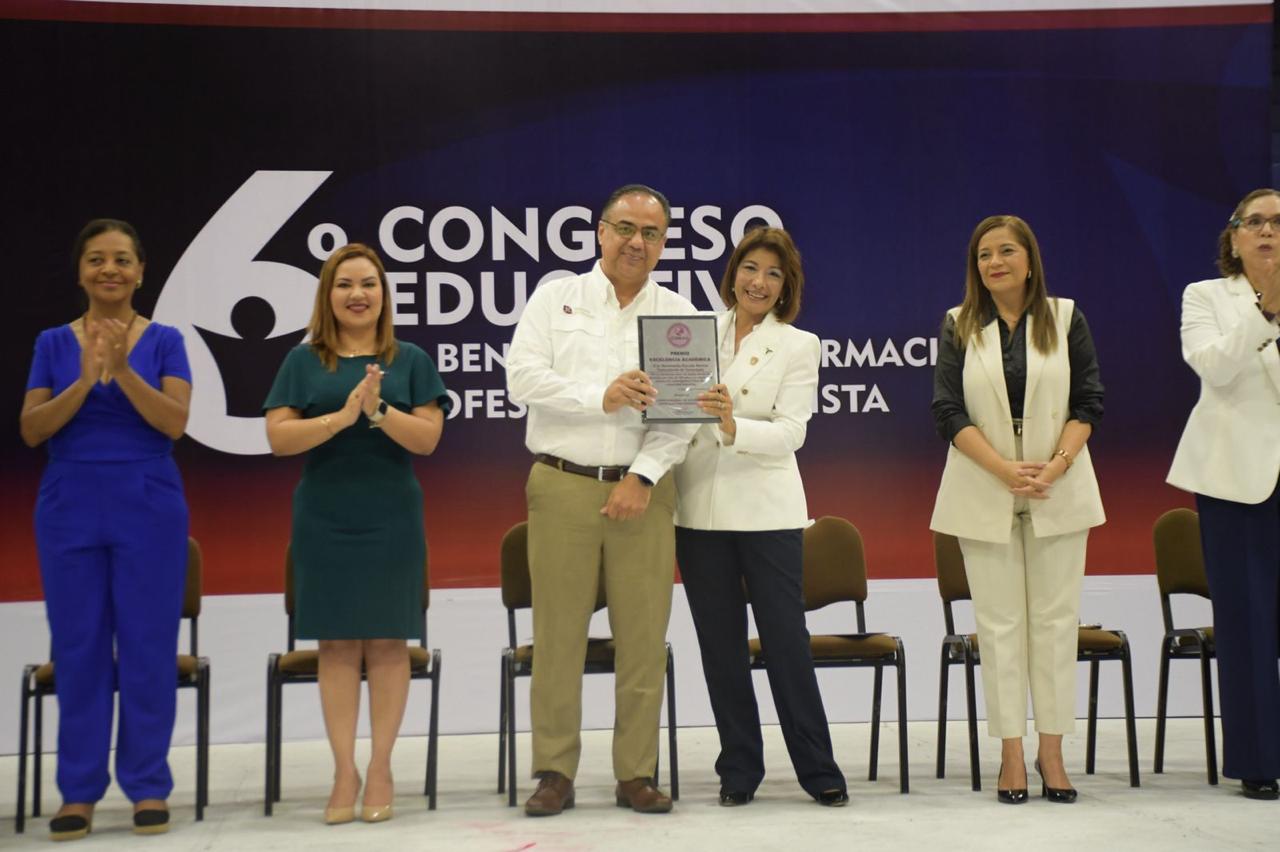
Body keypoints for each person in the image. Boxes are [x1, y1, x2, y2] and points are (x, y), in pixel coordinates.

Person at [506, 184, 696, 816]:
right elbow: (522, 376)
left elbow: (680, 420)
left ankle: (635, 773)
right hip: (561, 483)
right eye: (624, 229)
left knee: (642, 638)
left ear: (664, 243)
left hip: (644, 490)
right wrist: (602, 395)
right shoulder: (555, 297)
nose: (635, 243)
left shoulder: (677, 313)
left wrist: (642, 477)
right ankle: (554, 772)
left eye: (649, 234)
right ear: (598, 232)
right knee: (556, 634)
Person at [263, 243, 449, 825]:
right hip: (324, 515)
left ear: (384, 293)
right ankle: (345, 770)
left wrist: (377, 413)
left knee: (389, 642)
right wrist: (340, 419)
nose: (358, 294)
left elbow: (427, 440)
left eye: (368, 283)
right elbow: (278, 439)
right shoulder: (302, 362)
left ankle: (384, 765)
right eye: (344, 284)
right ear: (328, 295)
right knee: (338, 643)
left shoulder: (411, 359)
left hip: (391, 515)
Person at [20, 219, 193, 839]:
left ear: (142, 271)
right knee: (79, 649)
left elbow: (174, 422)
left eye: (122, 259)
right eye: (97, 260)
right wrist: (84, 380)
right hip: (70, 500)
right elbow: (34, 428)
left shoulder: (168, 340)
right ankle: (79, 791)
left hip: (147, 500)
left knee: (148, 648)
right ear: (81, 273)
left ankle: (148, 785)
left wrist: (121, 372)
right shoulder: (50, 343)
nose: (110, 270)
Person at [929, 215, 1105, 804]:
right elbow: (948, 412)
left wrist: (1054, 464)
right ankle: (1009, 754)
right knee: (999, 628)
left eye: (1007, 251)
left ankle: (1051, 753)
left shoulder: (1066, 316)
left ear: (1030, 259)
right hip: (985, 486)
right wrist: (1004, 469)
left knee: (1056, 625)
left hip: (1059, 485)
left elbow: (1088, 403)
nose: (995, 262)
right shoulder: (958, 325)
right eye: (984, 255)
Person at [673, 226, 848, 807]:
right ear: (733, 274)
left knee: (785, 643)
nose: (759, 281)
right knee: (720, 648)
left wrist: (731, 425)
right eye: (750, 268)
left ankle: (817, 767)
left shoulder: (799, 345)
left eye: (773, 274)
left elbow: (791, 433)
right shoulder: (693, 334)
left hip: (768, 512)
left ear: (785, 288)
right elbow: (673, 415)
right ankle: (739, 770)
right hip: (698, 510)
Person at [1167, 188, 1280, 800]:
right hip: (1237, 481)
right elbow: (1214, 367)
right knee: (1248, 623)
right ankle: (1259, 761)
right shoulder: (1208, 297)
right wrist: (1264, 309)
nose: (1267, 232)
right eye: (1254, 222)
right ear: (1234, 238)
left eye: (1278, 223)